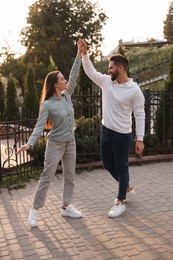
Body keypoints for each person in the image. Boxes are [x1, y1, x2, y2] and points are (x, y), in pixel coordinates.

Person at [16, 41, 83, 227]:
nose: (65, 81)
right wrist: (29, 143)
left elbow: (75, 74)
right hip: (55, 144)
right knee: (47, 176)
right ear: (55, 84)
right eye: (62, 79)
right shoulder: (47, 104)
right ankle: (34, 210)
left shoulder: (67, 94)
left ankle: (66, 206)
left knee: (70, 175)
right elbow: (39, 126)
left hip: (71, 142)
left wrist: (78, 54)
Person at [79, 39, 145, 217]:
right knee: (108, 164)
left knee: (122, 167)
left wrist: (140, 139)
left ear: (121, 68)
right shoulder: (107, 82)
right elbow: (90, 72)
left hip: (123, 135)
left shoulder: (134, 90)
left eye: (111, 68)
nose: (109, 70)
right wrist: (84, 53)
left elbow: (140, 115)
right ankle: (127, 187)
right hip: (106, 131)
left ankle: (120, 200)